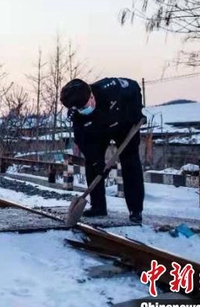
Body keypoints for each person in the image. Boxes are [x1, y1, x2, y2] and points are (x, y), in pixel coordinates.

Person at [60, 77, 146, 223]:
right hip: (97, 130)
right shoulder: (76, 117)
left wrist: (136, 113)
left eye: (88, 103)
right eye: (82, 108)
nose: (87, 108)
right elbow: (83, 141)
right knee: (93, 166)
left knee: (130, 161)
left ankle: (135, 210)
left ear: (91, 94)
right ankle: (98, 206)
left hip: (125, 124)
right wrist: (95, 162)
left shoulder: (111, 88)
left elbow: (135, 89)